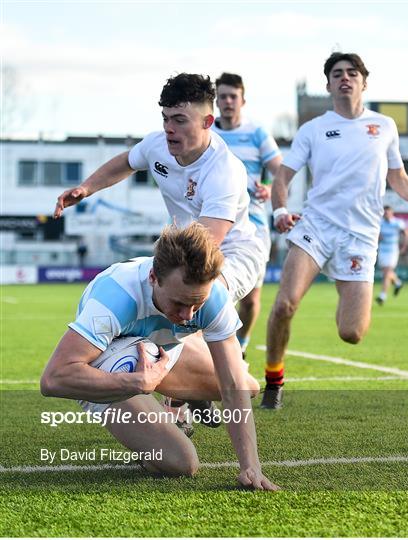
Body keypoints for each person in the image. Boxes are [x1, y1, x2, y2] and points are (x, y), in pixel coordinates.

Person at [262, 51, 408, 409]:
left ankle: (344, 288)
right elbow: (283, 176)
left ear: (363, 81)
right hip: (317, 226)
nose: (345, 78)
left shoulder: (384, 126)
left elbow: (400, 180)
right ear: (328, 84)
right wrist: (280, 209)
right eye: (337, 73)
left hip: (360, 236)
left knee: (352, 333)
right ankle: (273, 380)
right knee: (284, 304)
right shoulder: (313, 129)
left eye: (352, 73)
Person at [41, 223, 278, 490]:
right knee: (182, 463)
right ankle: (152, 415)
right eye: (179, 303)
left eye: (196, 304)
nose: (189, 315)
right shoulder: (117, 298)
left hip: (161, 349)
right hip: (110, 360)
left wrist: (251, 466)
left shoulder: (213, 297)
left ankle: (177, 395)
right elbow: (53, 379)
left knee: (248, 386)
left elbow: (233, 386)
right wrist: (134, 384)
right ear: (153, 277)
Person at [53, 73, 266, 305]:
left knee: (202, 300)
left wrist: (163, 269)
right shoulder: (156, 146)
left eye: (179, 120)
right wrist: (86, 188)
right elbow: (127, 162)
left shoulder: (225, 170)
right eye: (165, 119)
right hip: (184, 253)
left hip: (233, 255)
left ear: (207, 122)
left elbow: (206, 244)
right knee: (128, 296)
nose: (169, 129)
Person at [212, 72, 282, 358]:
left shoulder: (257, 133)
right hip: (214, 221)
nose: (228, 102)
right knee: (210, 291)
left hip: (252, 226)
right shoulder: (208, 134)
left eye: (233, 96)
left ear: (243, 100)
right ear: (215, 101)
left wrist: (268, 187)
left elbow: (281, 171)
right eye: (222, 97)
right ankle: (211, 354)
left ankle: (240, 346)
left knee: (251, 300)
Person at [376, 205, 408, 305]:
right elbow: (375, 234)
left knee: (387, 272)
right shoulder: (380, 223)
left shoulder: (397, 223)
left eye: (387, 212)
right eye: (384, 213)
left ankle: (382, 296)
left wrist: (404, 246)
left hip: (392, 250)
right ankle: (398, 283)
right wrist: (378, 237)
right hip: (382, 250)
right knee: (386, 272)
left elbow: (407, 233)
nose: (386, 214)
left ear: (391, 213)